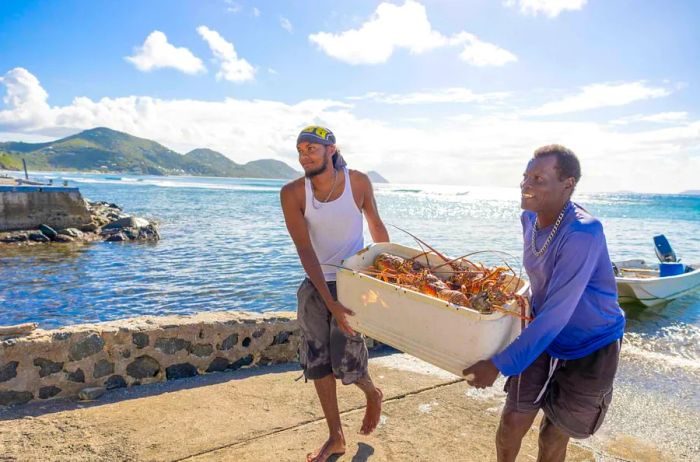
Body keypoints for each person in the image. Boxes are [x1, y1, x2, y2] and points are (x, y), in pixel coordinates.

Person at [463, 145, 625, 462]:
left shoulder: (583, 231)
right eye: (526, 176)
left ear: (568, 184)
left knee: (552, 438)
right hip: (543, 336)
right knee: (510, 425)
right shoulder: (529, 218)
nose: (526, 184)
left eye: (538, 178)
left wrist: (498, 364)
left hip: (590, 345)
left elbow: (556, 315)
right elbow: (539, 280)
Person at [280, 125, 389, 462]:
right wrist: (330, 302)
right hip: (316, 284)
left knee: (348, 361)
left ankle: (373, 393)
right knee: (317, 362)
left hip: (353, 282)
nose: (304, 155)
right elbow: (304, 251)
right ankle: (335, 436)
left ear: (331, 149)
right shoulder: (293, 193)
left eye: (311, 148)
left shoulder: (358, 182)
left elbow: (376, 227)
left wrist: (388, 278)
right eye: (300, 150)